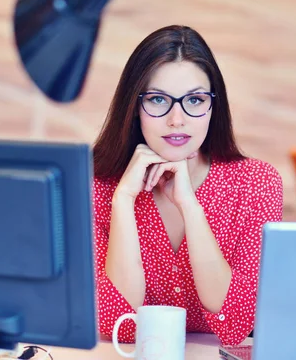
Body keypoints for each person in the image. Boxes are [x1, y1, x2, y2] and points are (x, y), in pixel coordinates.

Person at [91, 25, 283, 346]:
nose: (177, 119)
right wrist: (123, 199)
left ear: (213, 106)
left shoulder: (258, 183)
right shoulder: (99, 186)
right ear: (134, 109)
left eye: (194, 100)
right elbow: (116, 325)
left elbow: (236, 324)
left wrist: (190, 206)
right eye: (157, 99)